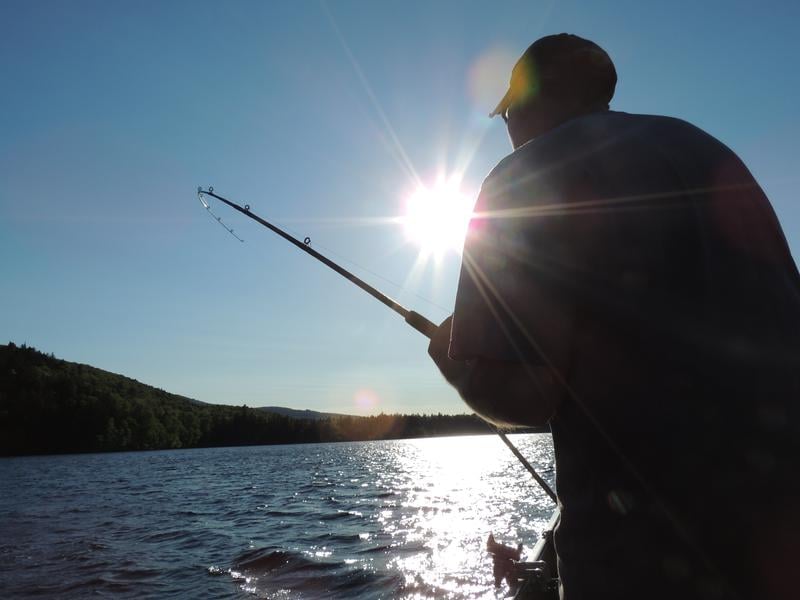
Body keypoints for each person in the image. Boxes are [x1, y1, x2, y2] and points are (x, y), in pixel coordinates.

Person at [428, 33, 800, 600]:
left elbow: (525, 393)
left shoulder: (519, 178)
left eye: (504, 110)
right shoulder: (707, 150)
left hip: (644, 562)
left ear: (525, 100)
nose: (505, 126)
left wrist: (459, 369)